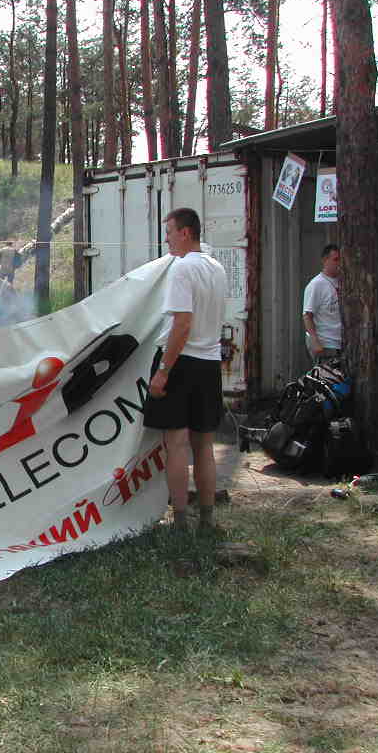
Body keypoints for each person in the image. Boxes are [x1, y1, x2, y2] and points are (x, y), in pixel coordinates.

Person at [143, 208, 226, 535]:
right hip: (209, 362)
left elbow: (182, 325)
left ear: (186, 233)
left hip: (182, 361)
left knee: (176, 443)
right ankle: (207, 518)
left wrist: (164, 370)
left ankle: (179, 521)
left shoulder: (182, 268)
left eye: (169, 232)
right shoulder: (217, 268)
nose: (167, 239)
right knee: (204, 445)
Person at [302, 244, 341, 364]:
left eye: (340, 259)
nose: (339, 263)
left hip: (341, 343)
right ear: (325, 260)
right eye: (335, 259)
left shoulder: (343, 281)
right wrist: (314, 341)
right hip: (326, 344)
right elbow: (307, 315)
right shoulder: (316, 284)